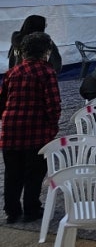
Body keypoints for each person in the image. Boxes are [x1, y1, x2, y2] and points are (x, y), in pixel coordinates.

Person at [0, 32, 61, 223]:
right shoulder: (46, 72)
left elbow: (2, 100)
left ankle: (11, 211)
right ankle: (31, 209)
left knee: (12, 173)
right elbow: (53, 105)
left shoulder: (13, 72)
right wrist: (52, 128)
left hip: (10, 130)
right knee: (34, 173)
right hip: (36, 132)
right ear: (45, 51)